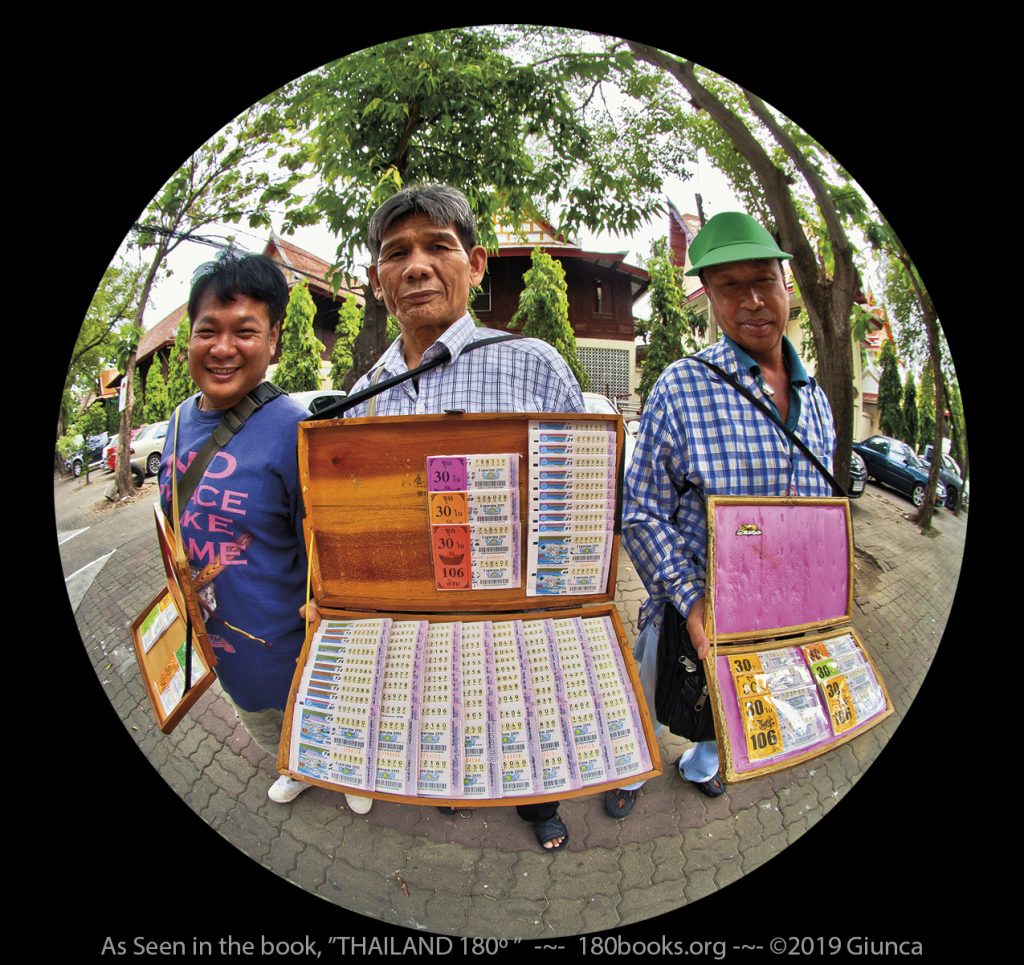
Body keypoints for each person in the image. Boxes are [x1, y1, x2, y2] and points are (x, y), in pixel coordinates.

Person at [309, 184, 586, 849]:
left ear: (478, 263)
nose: (416, 266)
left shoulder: (532, 365)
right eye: (395, 252)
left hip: (515, 620)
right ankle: (457, 782)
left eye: (439, 246)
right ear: (378, 280)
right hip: (413, 625)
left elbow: (579, 502)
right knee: (447, 714)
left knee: (523, 719)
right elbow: (351, 525)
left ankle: (538, 803)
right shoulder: (362, 394)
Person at [604, 211, 837, 819]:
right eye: (730, 286)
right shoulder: (682, 386)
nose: (753, 300)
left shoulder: (816, 399)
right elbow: (641, 513)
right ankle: (627, 769)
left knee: (725, 710)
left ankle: (705, 762)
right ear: (708, 296)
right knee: (649, 693)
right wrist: (695, 599)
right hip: (691, 609)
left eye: (763, 280)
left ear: (786, 282)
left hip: (774, 618)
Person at [157, 253, 326, 807]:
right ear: (191, 338)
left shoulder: (296, 431)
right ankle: (295, 767)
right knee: (261, 723)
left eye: (245, 332)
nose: (223, 348)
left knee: (311, 719)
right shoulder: (180, 421)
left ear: (274, 339)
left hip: (290, 651)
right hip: (218, 647)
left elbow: (325, 556)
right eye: (208, 330)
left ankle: (334, 767)